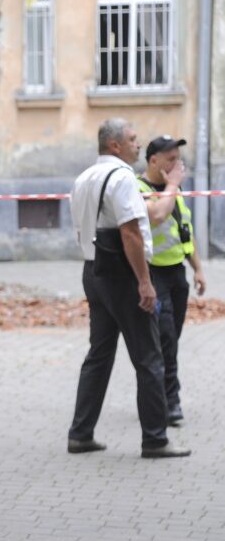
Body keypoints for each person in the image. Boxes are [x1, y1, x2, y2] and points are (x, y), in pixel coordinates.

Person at [66, 118, 190, 459]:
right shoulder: (121, 178)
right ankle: (155, 439)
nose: (138, 144)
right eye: (133, 140)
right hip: (122, 274)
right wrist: (144, 282)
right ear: (115, 145)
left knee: (98, 356)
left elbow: (80, 229)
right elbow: (131, 233)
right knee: (150, 358)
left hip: (93, 270)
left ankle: (80, 434)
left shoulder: (84, 177)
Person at [138, 135, 207, 426]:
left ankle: (155, 393)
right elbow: (157, 216)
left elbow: (184, 231)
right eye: (170, 159)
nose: (177, 164)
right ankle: (171, 402)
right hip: (154, 274)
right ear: (153, 161)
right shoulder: (139, 188)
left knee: (171, 340)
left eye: (178, 158)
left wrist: (198, 269)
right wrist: (173, 184)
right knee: (165, 340)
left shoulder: (173, 190)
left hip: (177, 274)